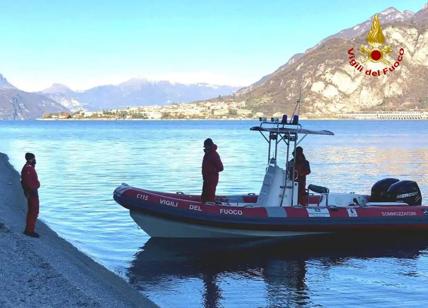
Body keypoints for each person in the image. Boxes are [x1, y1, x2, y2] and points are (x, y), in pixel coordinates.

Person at [21, 152, 40, 238]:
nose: (34, 160)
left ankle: (29, 229)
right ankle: (29, 231)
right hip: (32, 193)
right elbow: (28, 182)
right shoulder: (28, 168)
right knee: (33, 212)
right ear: (29, 159)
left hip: (31, 192)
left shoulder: (29, 167)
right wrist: (37, 185)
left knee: (32, 211)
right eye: (33, 159)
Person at [201, 138, 224, 203]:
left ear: (209, 145)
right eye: (204, 146)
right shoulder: (207, 154)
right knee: (204, 195)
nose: (205, 147)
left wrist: (211, 171)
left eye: (206, 146)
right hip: (206, 178)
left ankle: (210, 207)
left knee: (210, 195)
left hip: (212, 178)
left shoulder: (214, 154)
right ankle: (203, 206)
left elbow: (221, 168)